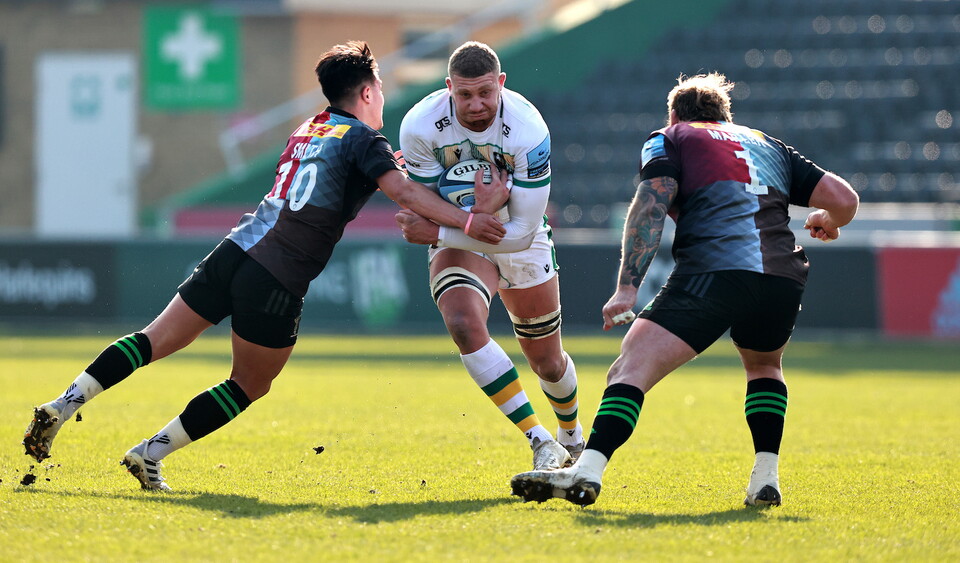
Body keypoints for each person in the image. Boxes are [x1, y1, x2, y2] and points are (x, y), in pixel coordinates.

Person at [22, 40, 509, 491]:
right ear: (367, 92)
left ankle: (62, 404)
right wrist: (469, 220)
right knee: (251, 383)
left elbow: (343, 177)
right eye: (380, 88)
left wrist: (391, 166)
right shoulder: (365, 139)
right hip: (279, 272)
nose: (381, 97)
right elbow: (402, 192)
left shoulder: (309, 128)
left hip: (235, 248)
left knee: (153, 339)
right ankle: (150, 453)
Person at [510, 72, 859, 507]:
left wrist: (626, 287)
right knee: (764, 367)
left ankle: (587, 470)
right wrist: (827, 220)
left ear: (674, 115)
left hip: (716, 268)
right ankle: (765, 478)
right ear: (726, 117)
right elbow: (845, 199)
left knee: (630, 367)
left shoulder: (671, 137)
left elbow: (651, 204)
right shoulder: (768, 144)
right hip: (782, 276)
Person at [394, 41, 584, 471]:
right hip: (460, 233)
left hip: (516, 233)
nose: (476, 104)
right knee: (463, 323)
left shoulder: (528, 128)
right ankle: (540, 441)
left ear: (501, 83)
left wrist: (442, 230)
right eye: (465, 95)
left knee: (547, 363)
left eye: (485, 92)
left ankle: (572, 437)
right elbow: (424, 202)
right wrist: (468, 221)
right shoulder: (420, 125)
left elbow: (520, 234)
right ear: (449, 88)